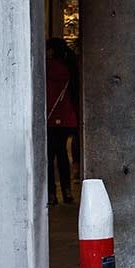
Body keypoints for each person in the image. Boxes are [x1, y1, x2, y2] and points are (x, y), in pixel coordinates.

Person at [45, 38, 80, 206]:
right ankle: (67, 192)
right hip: (66, 118)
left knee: (49, 158)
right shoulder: (69, 68)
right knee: (63, 156)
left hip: (50, 119)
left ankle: (51, 194)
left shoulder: (46, 69)